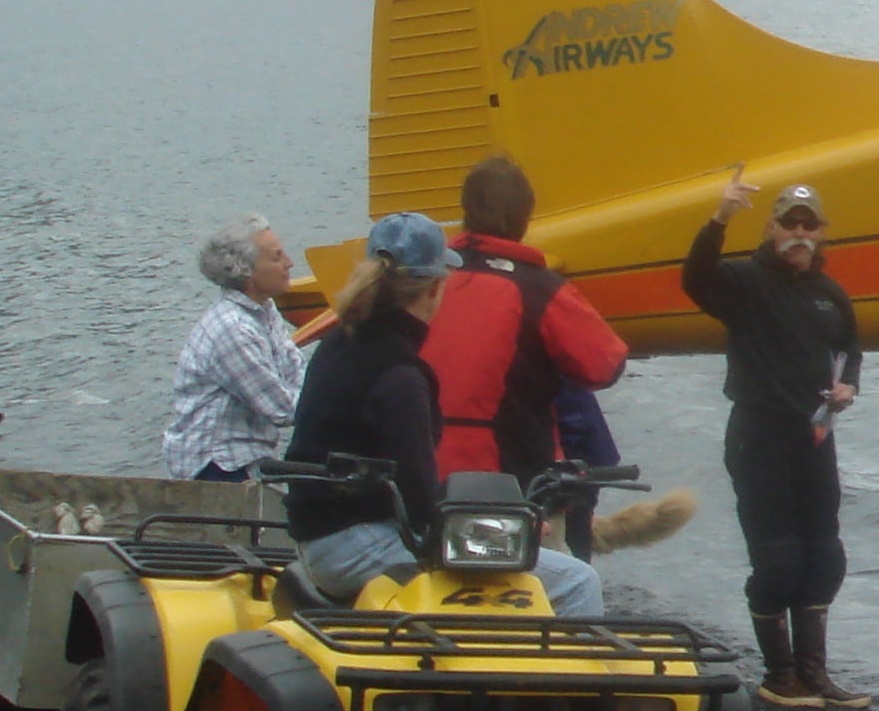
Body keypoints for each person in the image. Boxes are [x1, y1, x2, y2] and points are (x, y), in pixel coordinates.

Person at [281, 214, 605, 617]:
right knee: (576, 582)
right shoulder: (400, 376)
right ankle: (548, 679)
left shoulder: (339, 343)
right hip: (361, 544)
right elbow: (421, 505)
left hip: (321, 540)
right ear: (436, 287)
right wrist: (508, 530)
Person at [684, 171, 866, 711]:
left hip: (814, 437)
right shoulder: (742, 282)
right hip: (758, 434)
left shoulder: (830, 294)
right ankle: (778, 675)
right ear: (770, 228)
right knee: (778, 560)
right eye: (791, 223)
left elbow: (852, 349)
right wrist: (719, 218)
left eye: (811, 225)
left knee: (825, 556)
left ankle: (816, 675)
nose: (801, 234)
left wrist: (849, 385)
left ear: (821, 234)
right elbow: (694, 279)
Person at [423, 154, 629, 485]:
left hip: (422, 478)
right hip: (514, 485)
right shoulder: (540, 288)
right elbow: (604, 366)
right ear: (525, 218)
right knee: (556, 536)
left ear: (466, 211)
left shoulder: (424, 282)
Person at [162, 213, 304, 482]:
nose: (289, 263)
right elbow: (282, 409)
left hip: (250, 453)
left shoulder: (265, 308)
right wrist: (341, 403)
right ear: (247, 273)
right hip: (215, 463)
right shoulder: (232, 329)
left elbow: (296, 368)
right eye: (276, 257)